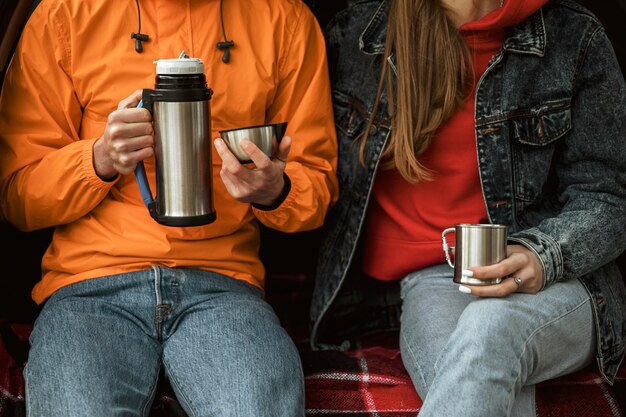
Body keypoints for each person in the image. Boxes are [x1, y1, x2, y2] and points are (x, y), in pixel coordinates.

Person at [0, 0, 338, 415]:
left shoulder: (283, 18)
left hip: (224, 285)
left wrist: (275, 189)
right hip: (90, 284)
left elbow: (318, 184)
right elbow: (16, 193)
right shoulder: (65, 13)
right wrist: (98, 159)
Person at [310, 0, 626, 416]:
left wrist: (543, 254)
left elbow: (607, 198)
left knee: (490, 328)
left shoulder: (574, 36)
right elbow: (307, 170)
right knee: (483, 373)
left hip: (560, 277)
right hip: (432, 282)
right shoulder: (356, 37)